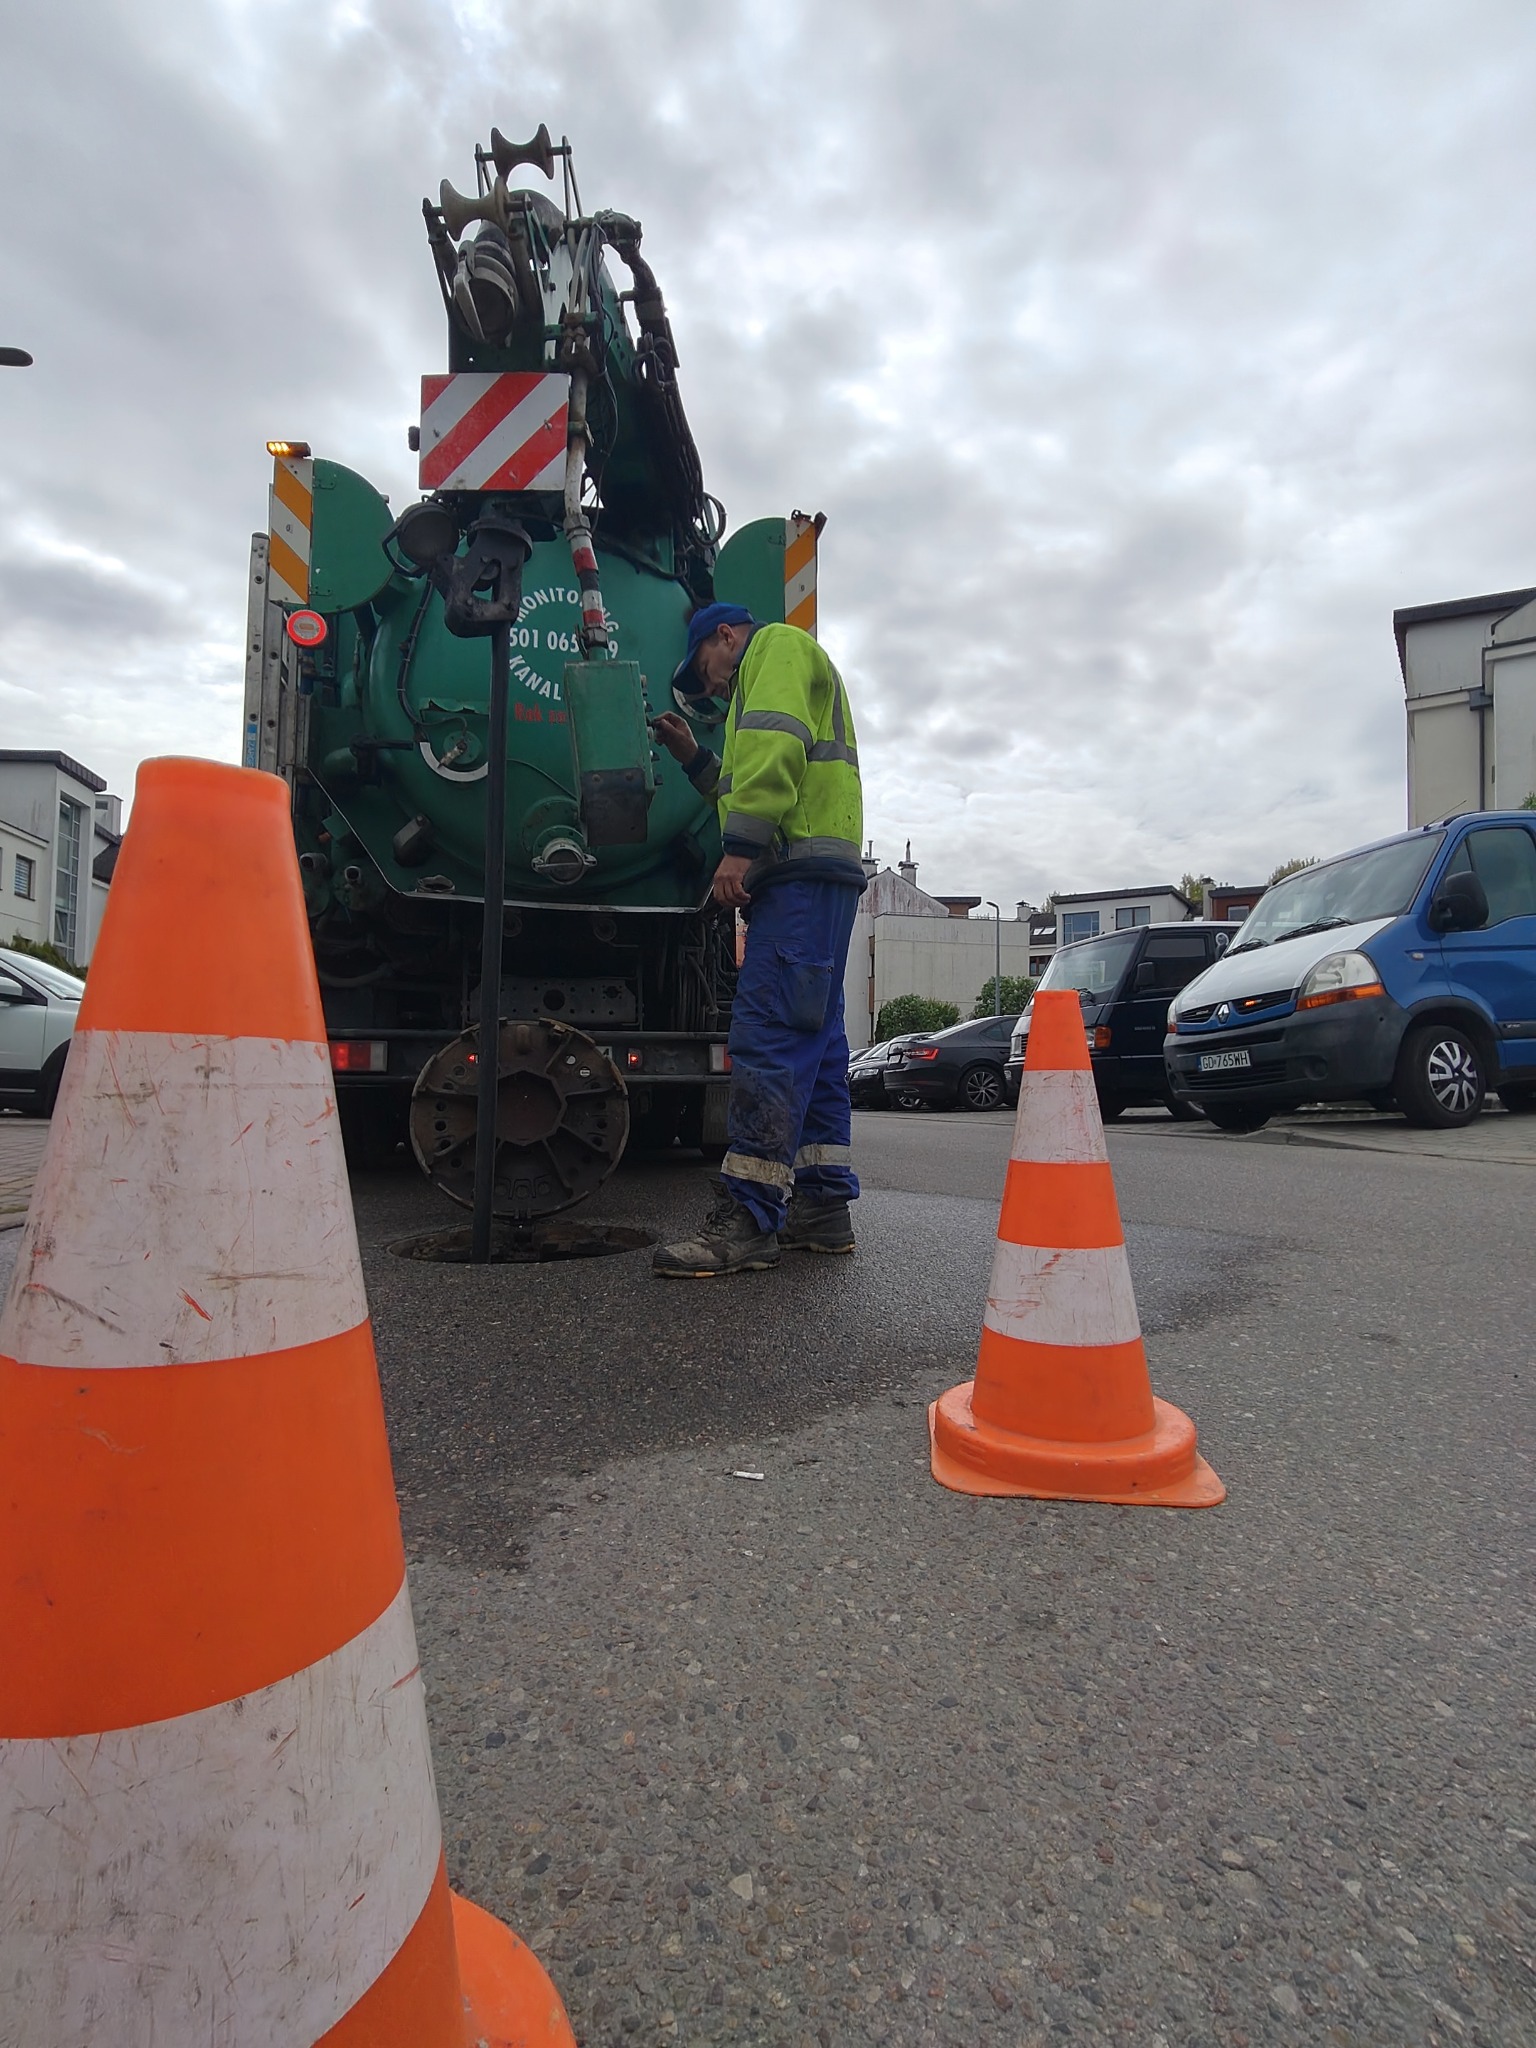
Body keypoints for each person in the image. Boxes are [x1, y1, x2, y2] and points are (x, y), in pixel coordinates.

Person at [649, 600, 866, 1276]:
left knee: (769, 1037)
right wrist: (694, 758)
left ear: (724, 636)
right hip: (818, 880)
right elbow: (746, 782)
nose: (710, 686)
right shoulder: (777, 669)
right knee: (819, 1045)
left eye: (704, 670)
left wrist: (738, 851)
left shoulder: (773, 647)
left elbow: (775, 749)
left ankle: (747, 1218)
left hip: (796, 881)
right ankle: (822, 1210)